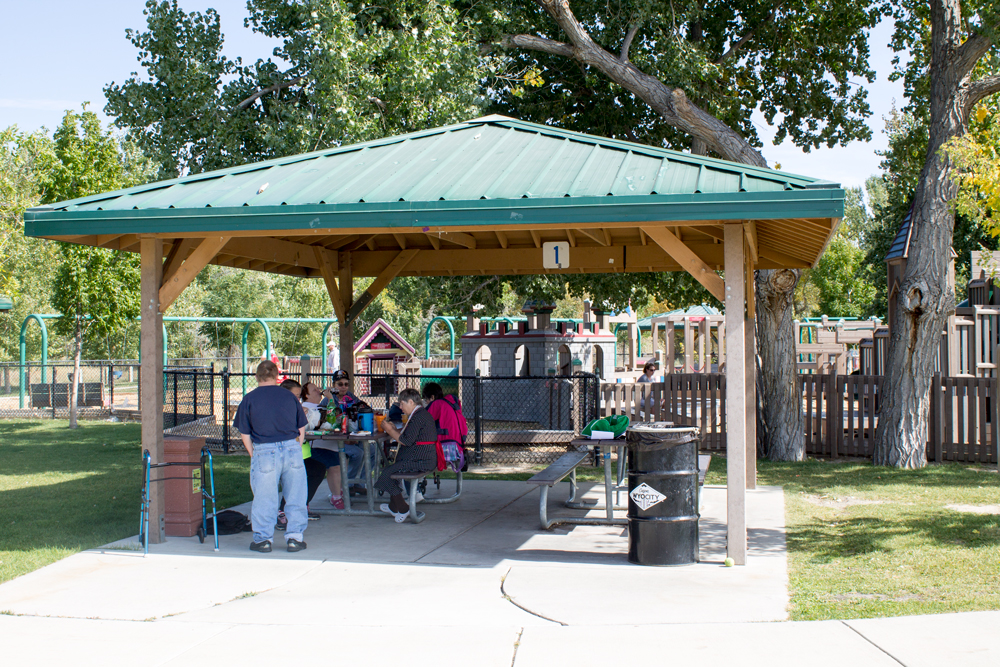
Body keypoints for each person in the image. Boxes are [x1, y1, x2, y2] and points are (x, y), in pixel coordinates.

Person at [234, 360, 308, 553]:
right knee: (296, 495)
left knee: (264, 498)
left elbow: (244, 432)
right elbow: (301, 426)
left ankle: (263, 539)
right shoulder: (289, 396)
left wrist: (253, 453)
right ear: (277, 375)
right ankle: (295, 537)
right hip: (291, 447)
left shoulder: (249, 399)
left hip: (264, 449)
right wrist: (296, 446)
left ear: (256, 376)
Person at [377, 387, 438, 522]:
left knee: (387, 474)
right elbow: (409, 435)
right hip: (422, 458)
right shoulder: (419, 414)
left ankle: (404, 508)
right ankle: (394, 507)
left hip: (421, 460)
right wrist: (393, 429)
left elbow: (405, 440)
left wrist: (388, 430)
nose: (401, 408)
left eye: (402, 404)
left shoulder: (419, 416)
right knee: (391, 471)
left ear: (410, 402)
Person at [423, 382, 468, 471]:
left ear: (432, 397)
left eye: (426, 400)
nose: (426, 403)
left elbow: (422, 420)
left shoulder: (436, 405)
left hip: (446, 450)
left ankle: (414, 482)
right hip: (459, 449)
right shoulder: (451, 404)